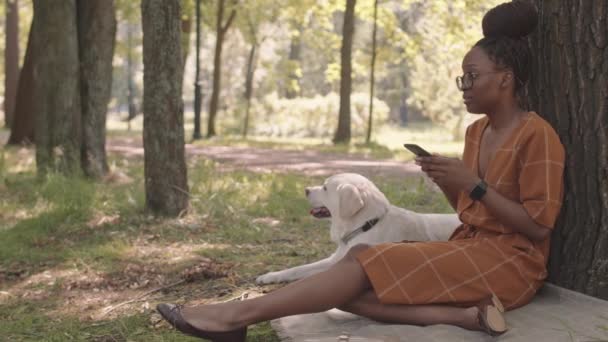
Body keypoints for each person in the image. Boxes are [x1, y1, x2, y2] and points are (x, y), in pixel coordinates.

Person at [156, 1, 565, 340]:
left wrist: (472, 185)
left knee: (357, 267)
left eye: (472, 77)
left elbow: (538, 228)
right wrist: (450, 183)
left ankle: (234, 317)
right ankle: (468, 318)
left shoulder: (537, 135)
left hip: (512, 263)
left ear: (506, 80)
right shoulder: (477, 132)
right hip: (468, 246)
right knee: (346, 285)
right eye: (463, 78)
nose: (465, 86)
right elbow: (468, 211)